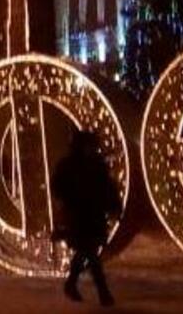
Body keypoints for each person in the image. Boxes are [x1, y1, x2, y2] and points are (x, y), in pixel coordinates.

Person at [51, 129, 121, 307]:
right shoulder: (69, 165)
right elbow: (57, 187)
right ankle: (103, 292)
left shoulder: (96, 164)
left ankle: (71, 283)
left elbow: (107, 187)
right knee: (89, 251)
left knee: (86, 251)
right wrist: (70, 199)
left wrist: (114, 206)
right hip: (78, 214)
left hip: (94, 213)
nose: (90, 148)